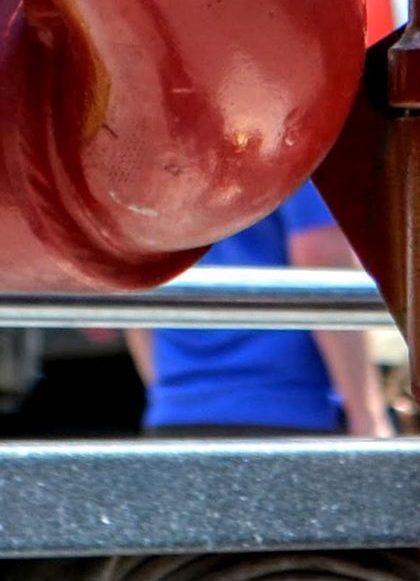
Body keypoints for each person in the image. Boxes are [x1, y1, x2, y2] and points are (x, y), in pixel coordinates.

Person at [130, 183, 394, 438]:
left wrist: (168, 393)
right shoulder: (301, 138)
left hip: (176, 413)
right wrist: (367, 415)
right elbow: (320, 256)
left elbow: (131, 267)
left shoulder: (145, 147)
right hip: (290, 411)